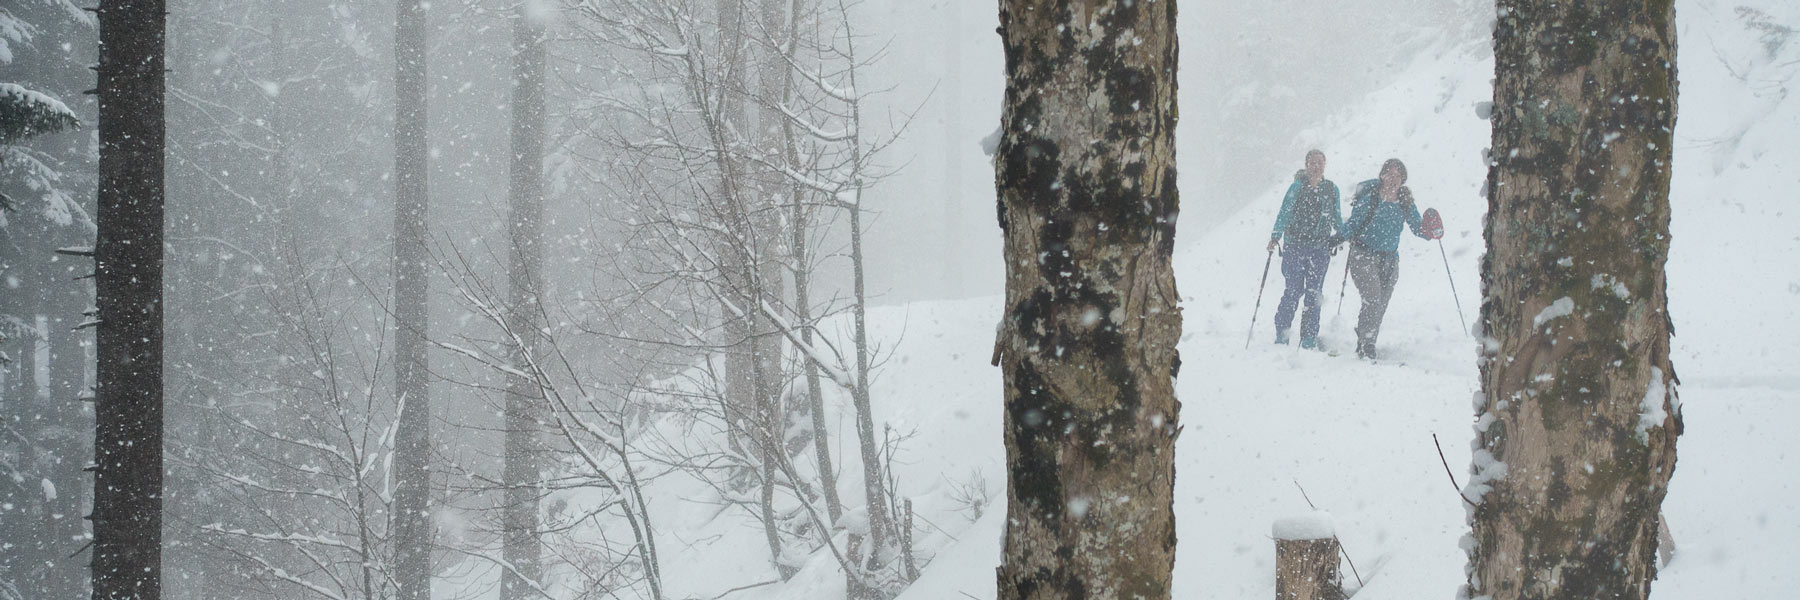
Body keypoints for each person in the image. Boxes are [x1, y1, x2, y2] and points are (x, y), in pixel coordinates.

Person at [1334, 158, 1432, 359]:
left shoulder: (1404, 201)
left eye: (1398, 176)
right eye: (1390, 174)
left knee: (1380, 303)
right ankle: (1367, 345)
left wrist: (1431, 231)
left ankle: (1366, 338)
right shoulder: (1370, 198)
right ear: (1382, 176)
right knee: (1372, 297)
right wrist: (1336, 238)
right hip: (1363, 255)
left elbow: (1417, 226)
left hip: (1390, 260)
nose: (1393, 179)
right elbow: (1353, 223)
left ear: (1403, 179)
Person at [1265, 150, 1342, 350]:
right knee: (1293, 290)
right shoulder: (1297, 187)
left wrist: (1343, 235)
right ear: (1306, 165)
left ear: (1325, 165)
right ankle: (1282, 333)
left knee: (1314, 293)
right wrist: (1275, 236)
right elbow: (1285, 211)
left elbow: (1336, 218)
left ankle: (1308, 338)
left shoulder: (1331, 190)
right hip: (1294, 247)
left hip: (1320, 248)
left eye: (1320, 162)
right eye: (1312, 162)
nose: (1316, 166)